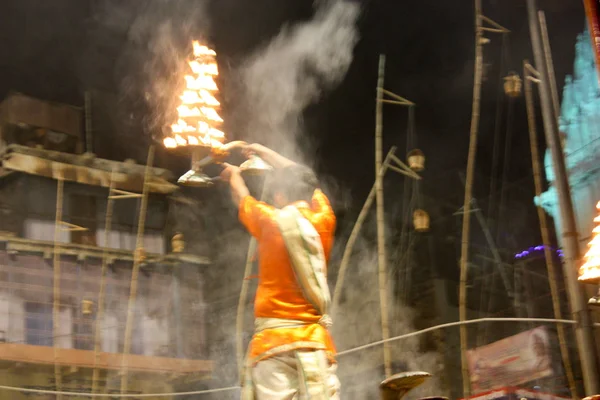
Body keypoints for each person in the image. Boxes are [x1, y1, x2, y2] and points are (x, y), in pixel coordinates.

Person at [220, 143, 340, 399]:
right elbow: (308, 179)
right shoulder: (325, 218)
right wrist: (265, 152)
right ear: (309, 194)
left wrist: (233, 175)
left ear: (279, 198)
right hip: (315, 345)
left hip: (273, 345)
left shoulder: (269, 221)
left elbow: (242, 197)